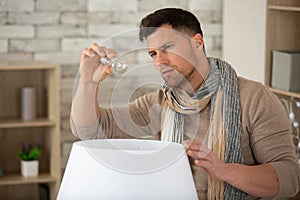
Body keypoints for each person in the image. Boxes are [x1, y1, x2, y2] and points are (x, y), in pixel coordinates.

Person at [70, 8, 300, 200]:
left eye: (167, 48)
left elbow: (289, 178)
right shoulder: (160, 102)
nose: (159, 61)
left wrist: (223, 171)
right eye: (153, 53)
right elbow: (89, 130)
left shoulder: (254, 98)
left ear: (197, 42)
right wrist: (87, 81)